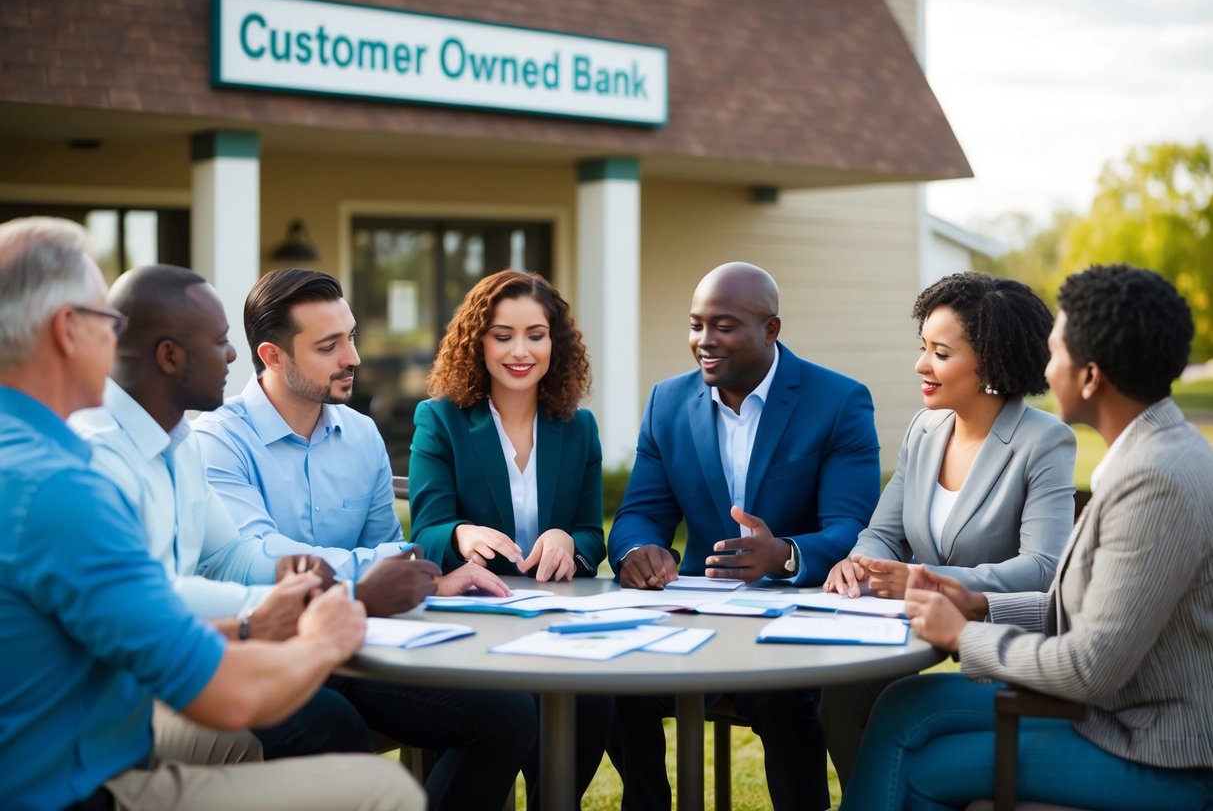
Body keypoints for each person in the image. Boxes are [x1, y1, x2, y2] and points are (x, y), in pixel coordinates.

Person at [0, 217, 422, 810]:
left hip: (91, 741)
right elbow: (222, 694)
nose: (119, 341)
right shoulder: (60, 484)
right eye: (107, 320)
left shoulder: (112, 450)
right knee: (380, 787)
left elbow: (218, 566)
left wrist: (266, 616)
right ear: (68, 330)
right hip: (73, 783)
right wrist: (326, 626)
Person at [842, 265, 1213, 810]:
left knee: (918, 768)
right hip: (1118, 712)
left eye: (1055, 351)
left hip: (1154, 748)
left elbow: (1089, 667)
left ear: (1089, 377)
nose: (1042, 363)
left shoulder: (1155, 480)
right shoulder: (1151, 451)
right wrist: (979, 604)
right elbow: (1094, 615)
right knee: (903, 704)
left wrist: (960, 635)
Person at [194, 267, 536, 811]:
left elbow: (389, 552)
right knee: (337, 733)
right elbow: (253, 560)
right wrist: (378, 570)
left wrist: (425, 579)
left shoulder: (360, 435)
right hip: (264, 650)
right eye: (329, 346)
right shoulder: (217, 439)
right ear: (272, 355)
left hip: (358, 647)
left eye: (350, 336)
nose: (352, 356)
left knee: (509, 713)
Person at [606, 262, 882, 811]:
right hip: (693, 621)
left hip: (793, 623)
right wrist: (639, 550)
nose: (704, 341)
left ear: (771, 329)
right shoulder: (667, 402)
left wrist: (785, 554)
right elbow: (639, 512)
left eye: (724, 326)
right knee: (614, 690)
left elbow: (855, 529)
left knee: (788, 708)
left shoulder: (838, 401)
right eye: (696, 325)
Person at [70, 264, 372, 759]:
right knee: (327, 722)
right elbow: (149, 595)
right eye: (219, 342)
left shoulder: (179, 441)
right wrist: (260, 613)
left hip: (183, 657)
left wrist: (294, 574)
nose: (234, 355)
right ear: (169, 356)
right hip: (118, 692)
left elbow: (230, 553)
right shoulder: (96, 454)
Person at [820, 272, 1076, 786]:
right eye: (923, 348)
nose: (921, 365)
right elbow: (883, 532)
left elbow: (1046, 566)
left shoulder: (1044, 441)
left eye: (940, 352)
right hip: (905, 628)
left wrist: (923, 578)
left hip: (1002, 645)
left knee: (902, 712)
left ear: (989, 362)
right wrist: (858, 563)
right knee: (842, 700)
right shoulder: (924, 428)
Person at [409, 269, 610, 804]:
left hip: (559, 620)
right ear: (478, 342)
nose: (520, 350)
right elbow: (424, 532)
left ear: (554, 343)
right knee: (508, 707)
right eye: (502, 335)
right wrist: (461, 533)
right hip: (478, 621)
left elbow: (593, 534)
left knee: (594, 702)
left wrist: (571, 541)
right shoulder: (441, 419)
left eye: (535, 335)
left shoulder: (579, 427)